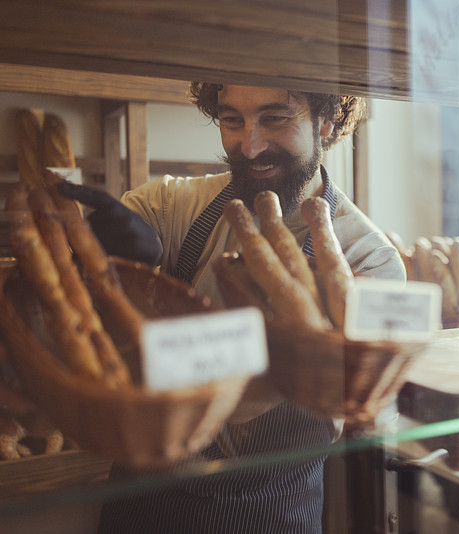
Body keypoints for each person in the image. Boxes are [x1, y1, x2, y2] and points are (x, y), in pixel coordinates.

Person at [59, 83, 404, 534]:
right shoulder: (165, 206)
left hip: (273, 513)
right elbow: (87, 333)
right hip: (139, 505)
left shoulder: (368, 262)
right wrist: (96, 263)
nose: (250, 144)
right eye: (231, 120)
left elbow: (246, 405)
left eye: (275, 118)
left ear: (326, 121)